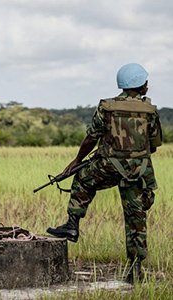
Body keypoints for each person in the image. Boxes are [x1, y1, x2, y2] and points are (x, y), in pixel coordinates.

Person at [47, 63, 162, 283]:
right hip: (138, 171)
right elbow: (154, 144)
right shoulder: (151, 111)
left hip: (108, 167)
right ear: (141, 85)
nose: (147, 85)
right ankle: (135, 269)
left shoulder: (106, 107)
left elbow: (91, 138)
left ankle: (72, 225)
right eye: (145, 82)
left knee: (82, 178)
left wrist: (77, 161)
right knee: (136, 217)